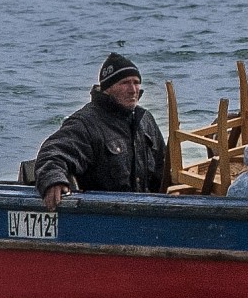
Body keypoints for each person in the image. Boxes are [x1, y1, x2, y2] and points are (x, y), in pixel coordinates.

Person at [31, 53, 168, 210]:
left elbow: (162, 169)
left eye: (136, 83)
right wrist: (53, 180)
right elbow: (52, 153)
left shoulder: (145, 120)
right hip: (104, 214)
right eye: (125, 83)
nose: (133, 90)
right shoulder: (86, 124)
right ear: (107, 88)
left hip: (144, 213)